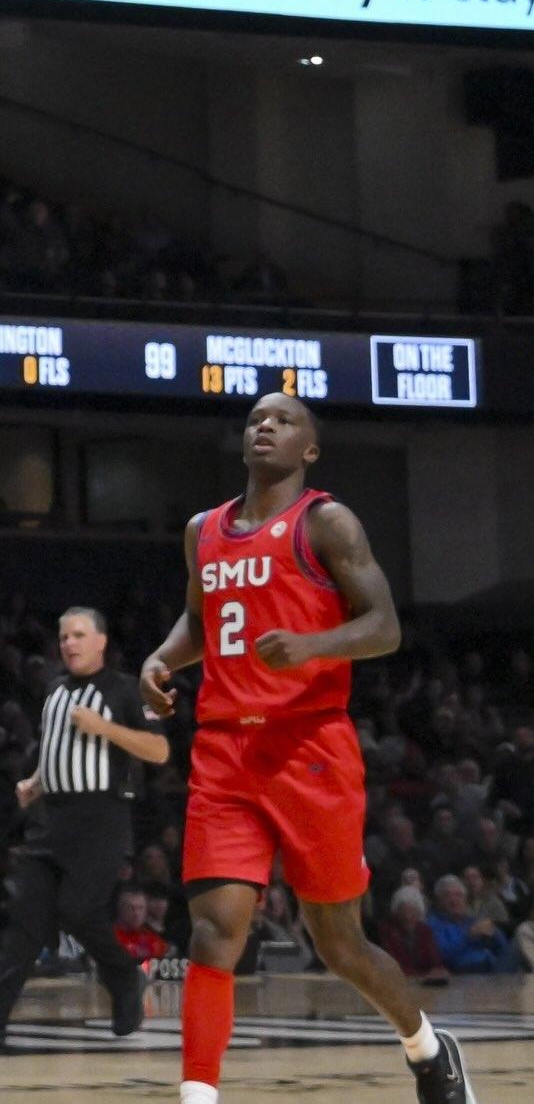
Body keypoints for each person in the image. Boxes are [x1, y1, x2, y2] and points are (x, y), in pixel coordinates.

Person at [139, 393, 474, 1104]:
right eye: (256, 419)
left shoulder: (327, 522)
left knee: (339, 943)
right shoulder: (203, 529)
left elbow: (384, 626)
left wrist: (312, 645)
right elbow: (200, 622)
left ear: (310, 449)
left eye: (284, 420)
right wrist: (161, 659)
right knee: (213, 932)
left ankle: (426, 1046)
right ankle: (198, 1096)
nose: (265, 425)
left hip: (310, 745)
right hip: (225, 749)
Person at [0, 605, 162, 1050]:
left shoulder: (123, 689)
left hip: (101, 818)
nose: (69, 644)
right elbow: (59, 750)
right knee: (27, 915)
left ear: (101, 641)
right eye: (64, 637)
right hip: (51, 818)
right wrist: (37, 782)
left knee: (77, 910)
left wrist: (105, 728)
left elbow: (158, 750)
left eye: (79, 635)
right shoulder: (55, 689)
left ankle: (124, 979)